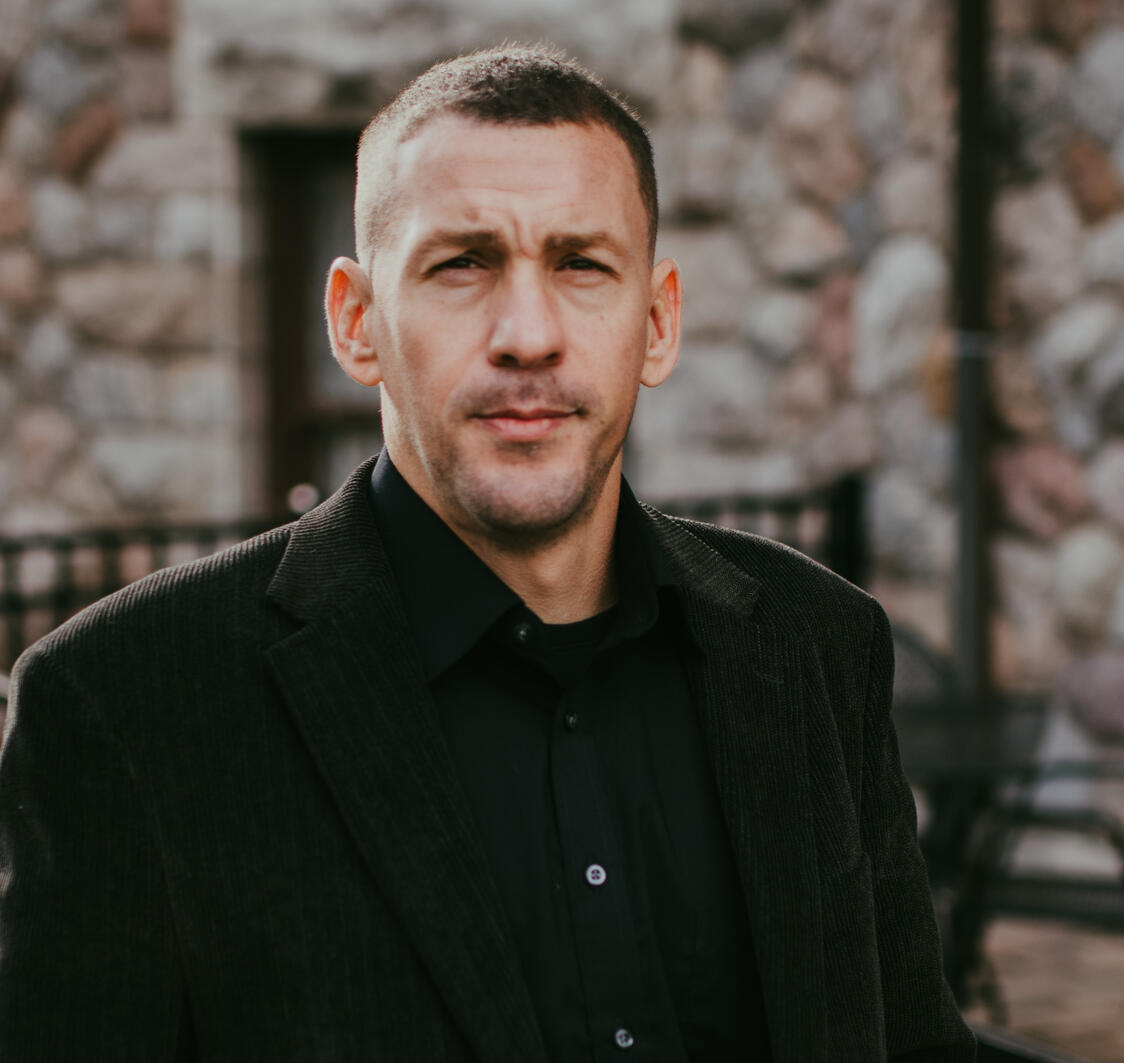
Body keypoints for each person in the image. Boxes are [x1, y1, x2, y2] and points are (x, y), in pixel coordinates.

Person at [0, 46, 975, 1062]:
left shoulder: (817, 645)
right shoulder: (125, 701)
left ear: (655, 322)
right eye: (461, 263)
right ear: (354, 320)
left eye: (579, 263)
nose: (527, 334)